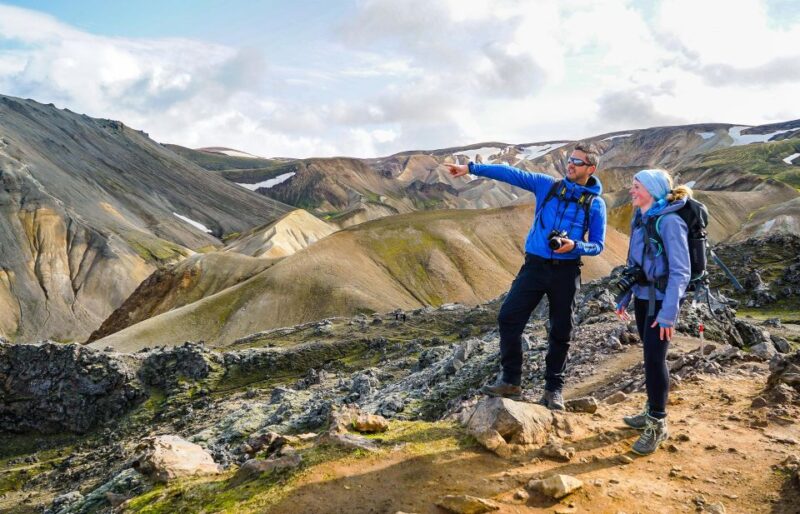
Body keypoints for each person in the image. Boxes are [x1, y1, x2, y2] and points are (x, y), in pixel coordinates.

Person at [444, 143, 607, 410]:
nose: (570, 164)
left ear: (591, 168)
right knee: (508, 317)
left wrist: (576, 246)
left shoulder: (595, 204)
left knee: (561, 330)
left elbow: (598, 244)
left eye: (577, 162)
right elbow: (511, 174)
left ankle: (553, 389)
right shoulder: (548, 186)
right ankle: (511, 381)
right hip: (534, 266)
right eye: (570, 159)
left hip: (567, 271)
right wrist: (470, 168)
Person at [614, 169, 691, 455]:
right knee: (649, 355)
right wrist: (625, 297)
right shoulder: (641, 219)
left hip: (661, 301)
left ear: (652, 189)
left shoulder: (669, 222)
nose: (631, 190)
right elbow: (633, 265)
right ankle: (650, 412)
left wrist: (668, 313)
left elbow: (681, 272)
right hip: (643, 297)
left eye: (636, 186)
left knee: (655, 359)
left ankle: (657, 423)